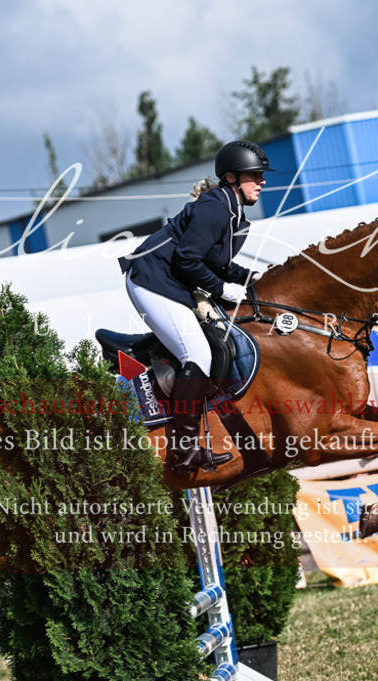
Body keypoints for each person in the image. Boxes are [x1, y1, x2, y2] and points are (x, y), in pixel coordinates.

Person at [118, 140, 273, 474]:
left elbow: (215, 263)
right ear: (232, 178)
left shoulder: (234, 214)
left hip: (168, 281)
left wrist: (252, 276)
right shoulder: (217, 207)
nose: (262, 181)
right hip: (150, 279)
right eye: (255, 175)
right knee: (198, 355)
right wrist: (222, 289)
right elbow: (189, 261)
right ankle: (182, 452)